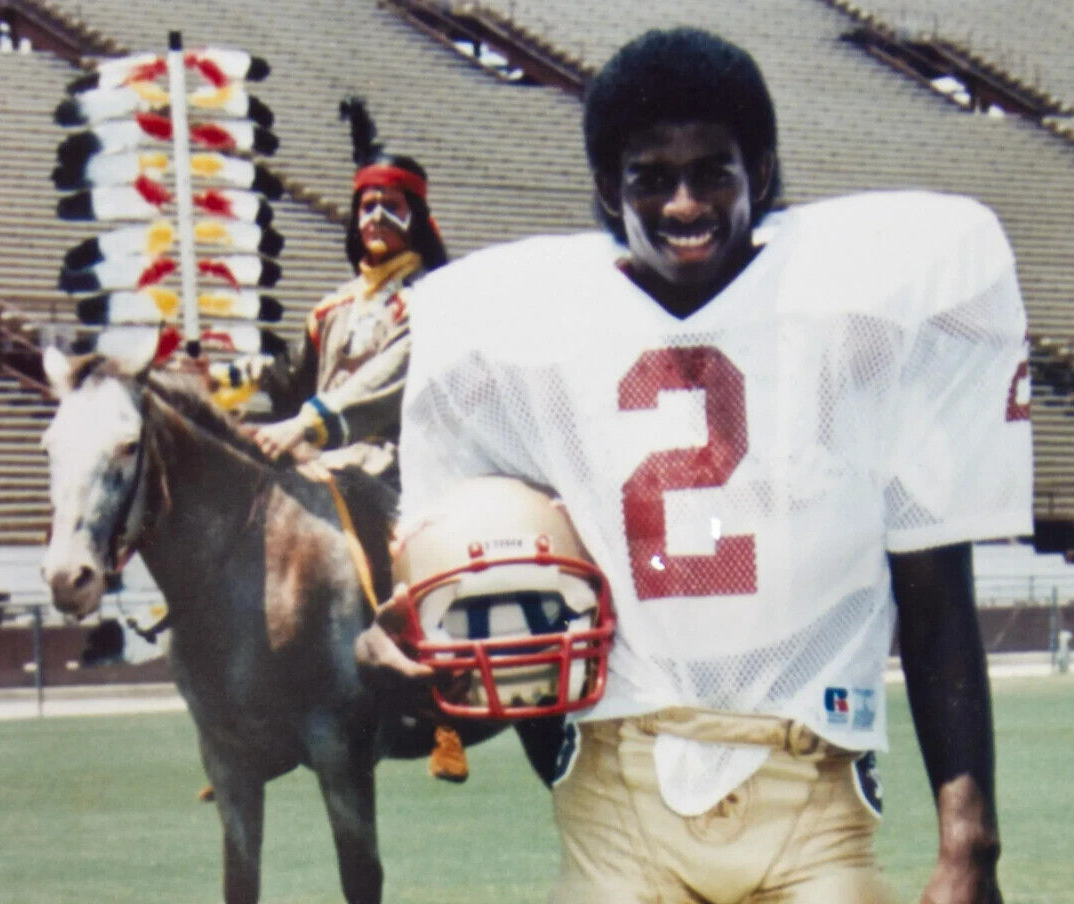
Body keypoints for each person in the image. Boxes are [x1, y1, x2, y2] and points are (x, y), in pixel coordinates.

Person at [357, 27, 1031, 904]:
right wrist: (394, 651)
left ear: (762, 171)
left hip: (813, 792)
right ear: (608, 184)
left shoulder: (858, 323)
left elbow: (937, 599)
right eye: (651, 176)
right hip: (616, 799)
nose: (684, 203)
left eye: (714, 170)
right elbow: (480, 605)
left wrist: (968, 843)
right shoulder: (528, 341)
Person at [221, 96, 448, 490]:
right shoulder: (335, 307)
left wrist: (305, 426)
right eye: (368, 207)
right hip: (323, 459)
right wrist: (217, 379)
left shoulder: (432, 300)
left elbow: (383, 381)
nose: (377, 218)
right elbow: (286, 375)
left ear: (417, 218)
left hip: (398, 470)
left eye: (391, 206)